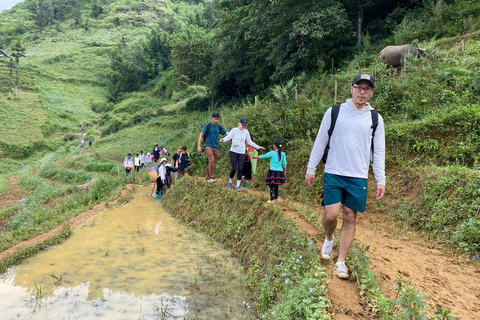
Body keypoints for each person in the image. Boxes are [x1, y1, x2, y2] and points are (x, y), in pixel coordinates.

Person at [305, 73, 386, 279]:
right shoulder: (335, 112)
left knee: (350, 216)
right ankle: (329, 237)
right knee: (331, 215)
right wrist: (311, 168)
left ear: (371, 92)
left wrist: (380, 179)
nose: (362, 92)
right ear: (351, 88)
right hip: (333, 172)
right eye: (358, 87)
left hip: (358, 176)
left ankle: (340, 260)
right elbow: (320, 141)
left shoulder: (375, 119)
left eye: (366, 89)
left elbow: (378, 151)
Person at [220, 118, 264, 191]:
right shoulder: (234, 130)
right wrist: (223, 139)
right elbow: (228, 137)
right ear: (239, 123)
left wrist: (258, 147)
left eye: (245, 125)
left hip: (241, 152)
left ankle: (238, 185)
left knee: (240, 169)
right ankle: (230, 181)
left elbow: (250, 142)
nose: (243, 126)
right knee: (234, 168)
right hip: (233, 151)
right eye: (243, 125)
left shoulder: (246, 132)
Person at [197, 112, 229, 183]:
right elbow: (201, 135)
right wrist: (198, 146)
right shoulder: (207, 125)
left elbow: (227, 133)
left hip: (216, 147)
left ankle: (207, 178)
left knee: (213, 162)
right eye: (215, 119)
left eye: (218, 119)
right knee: (211, 160)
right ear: (212, 118)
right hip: (208, 146)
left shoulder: (219, 127)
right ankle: (211, 177)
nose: (216, 120)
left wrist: (234, 135)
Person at [253, 138, 287, 203]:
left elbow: (264, 156)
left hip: (273, 171)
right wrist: (284, 169)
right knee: (276, 185)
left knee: (271, 185)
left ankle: (272, 199)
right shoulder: (283, 154)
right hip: (280, 171)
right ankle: (276, 199)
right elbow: (285, 163)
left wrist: (256, 157)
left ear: (274, 145)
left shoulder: (272, 153)